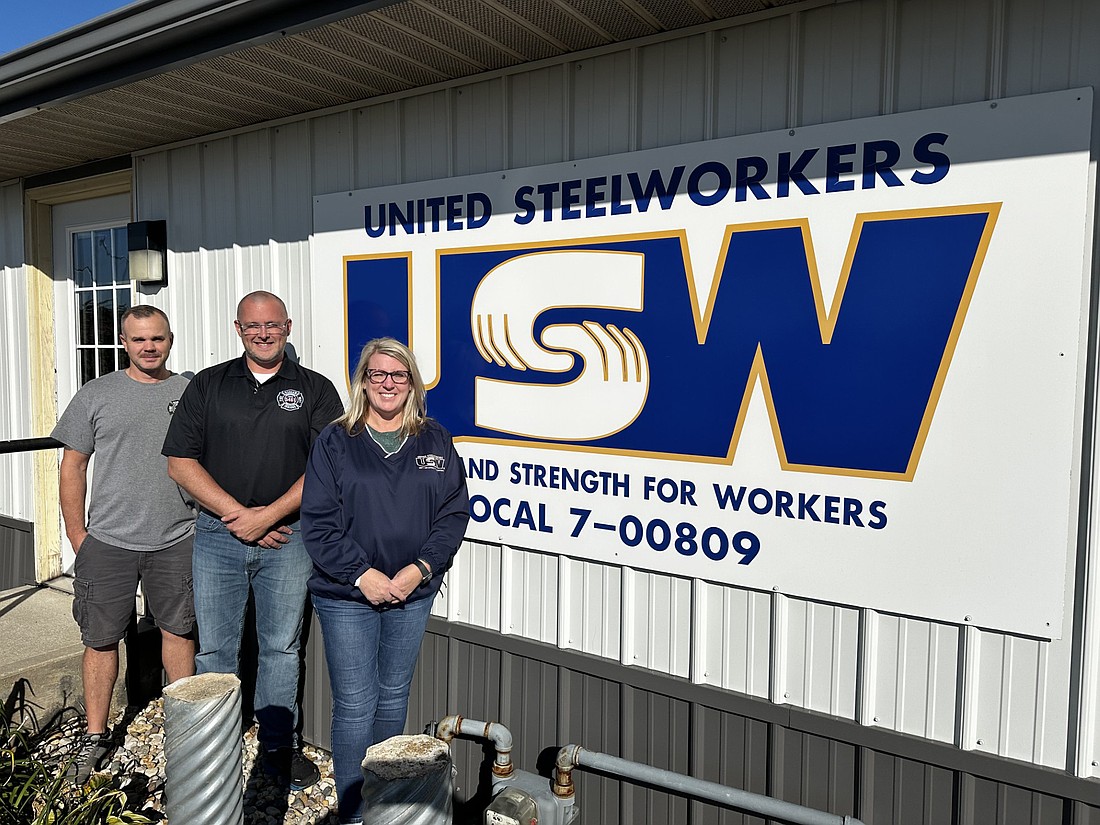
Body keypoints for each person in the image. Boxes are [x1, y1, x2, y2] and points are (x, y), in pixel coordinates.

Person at [162, 290, 343, 790]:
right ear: (238, 329)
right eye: (252, 326)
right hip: (217, 536)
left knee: (281, 648)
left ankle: (277, 748)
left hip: (290, 537)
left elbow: (327, 468)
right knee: (215, 649)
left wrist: (268, 517)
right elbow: (180, 462)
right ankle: (211, 745)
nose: (263, 334)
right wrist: (239, 516)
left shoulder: (314, 389)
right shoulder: (209, 384)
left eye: (272, 325)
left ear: (287, 326)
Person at [301, 337, 469, 824]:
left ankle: (385, 804)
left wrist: (419, 569)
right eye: (379, 375)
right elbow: (318, 521)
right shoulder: (337, 440)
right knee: (355, 705)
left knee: (394, 696)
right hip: (346, 594)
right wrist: (362, 575)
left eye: (399, 375)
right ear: (364, 381)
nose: (389, 384)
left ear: (412, 383)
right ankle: (354, 811)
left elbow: (453, 513)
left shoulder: (434, 438)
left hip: (412, 591)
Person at [52, 305, 196, 784]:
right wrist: (78, 536)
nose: (149, 347)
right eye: (139, 339)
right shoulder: (97, 394)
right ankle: (95, 737)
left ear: (170, 339)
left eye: (157, 338)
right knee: (100, 638)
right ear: (123, 341)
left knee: (178, 632)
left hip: (177, 536)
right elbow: (72, 466)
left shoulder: (189, 391)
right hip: (108, 542)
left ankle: (187, 732)